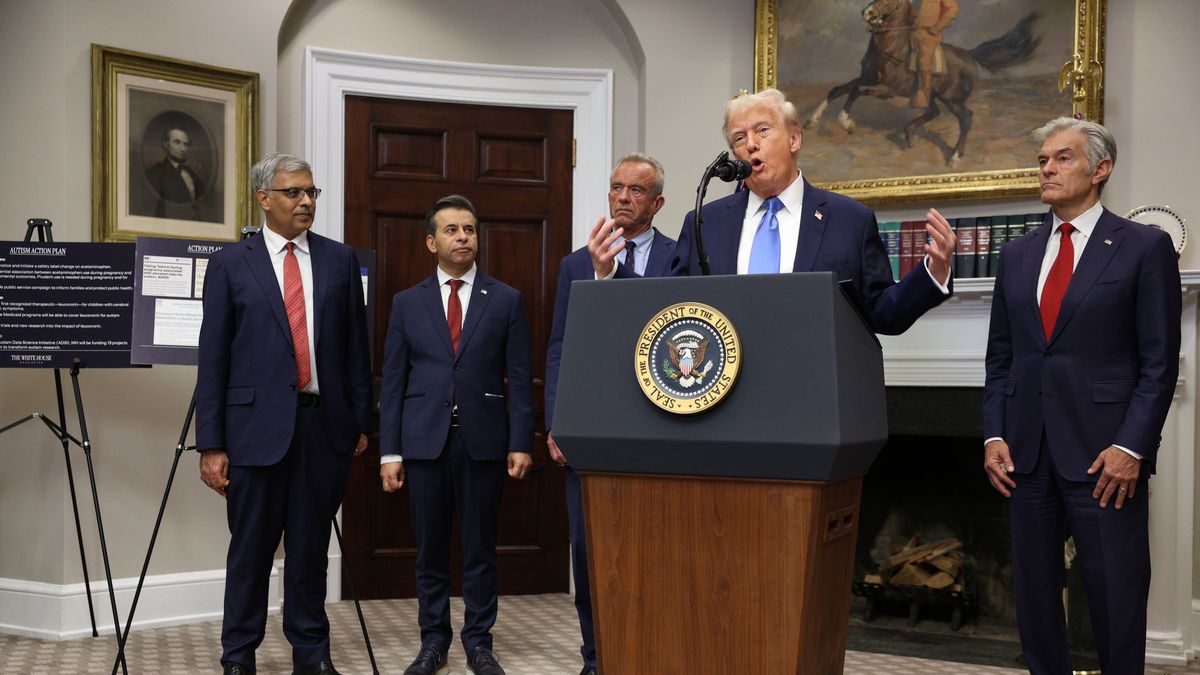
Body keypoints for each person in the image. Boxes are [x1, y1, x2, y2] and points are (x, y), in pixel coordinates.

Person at [982, 118, 1181, 673]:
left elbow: (1159, 363)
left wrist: (1133, 447)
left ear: (1101, 169)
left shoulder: (1145, 247)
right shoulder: (1017, 254)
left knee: (1116, 596)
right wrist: (994, 432)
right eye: (1043, 159)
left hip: (1105, 458)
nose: (1046, 167)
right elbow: (1003, 357)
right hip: (1025, 455)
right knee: (1035, 596)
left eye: (1062, 158)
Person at [195, 153, 373, 675]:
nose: (306, 202)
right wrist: (212, 442)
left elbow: (356, 353)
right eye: (294, 192)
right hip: (253, 432)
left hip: (324, 427)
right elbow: (214, 359)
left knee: (310, 551)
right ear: (264, 198)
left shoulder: (341, 261)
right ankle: (238, 657)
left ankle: (312, 656)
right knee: (250, 551)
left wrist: (359, 421)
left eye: (312, 193)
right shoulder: (231, 264)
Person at [589, 88, 957, 337]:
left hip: (812, 402)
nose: (750, 143)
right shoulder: (705, 221)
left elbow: (882, 313)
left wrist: (932, 273)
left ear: (794, 139)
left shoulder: (849, 220)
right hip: (721, 406)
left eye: (763, 130)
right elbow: (667, 306)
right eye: (739, 137)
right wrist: (610, 274)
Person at [379, 194, 533, 675]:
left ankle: (479, 642)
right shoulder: (407, 303)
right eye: (451, 230)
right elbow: (394, 380)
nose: (463, 237)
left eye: (469, 229)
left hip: (484, 442)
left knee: (480, 549)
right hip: (424, 442)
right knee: (429, 550)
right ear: (432, 241)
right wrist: (389, 452)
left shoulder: (505, 299)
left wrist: (521, 440)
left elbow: (520, 376)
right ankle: (433, 642)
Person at [545, 153, 675, 675]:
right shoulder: (577, 264)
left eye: (637, 190)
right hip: (592, 425)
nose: (623, 197)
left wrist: (611, 278)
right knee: (591, 550)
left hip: (664, 426)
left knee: (657, 549)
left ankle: (651, 653)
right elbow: (561, 346)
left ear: (658, 202)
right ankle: (597, 658)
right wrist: (557, 420)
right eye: (617, 187)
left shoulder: (683, 255)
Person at [144, 123, 207, 220]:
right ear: (166, 144)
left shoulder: (192, 174)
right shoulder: (154, 173)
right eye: (177, 142)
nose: (182, 149)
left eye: (185, 144)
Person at [910, 0, 959, 108]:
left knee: (923, 60)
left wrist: (937, 27)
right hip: (911, 31)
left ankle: (924, 96)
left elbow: (952, 9)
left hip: (928, 34)